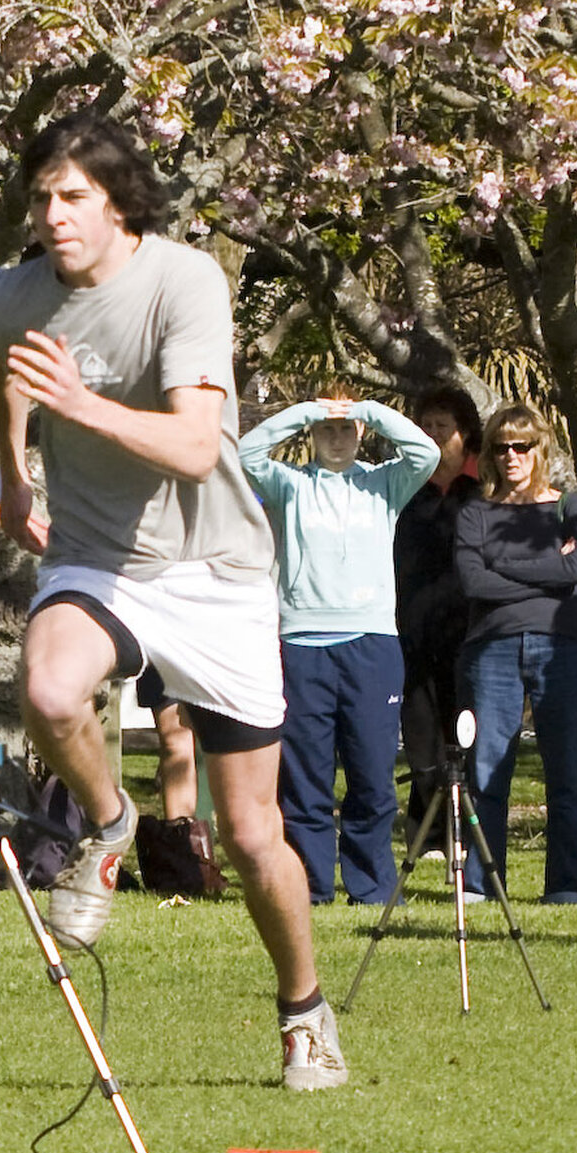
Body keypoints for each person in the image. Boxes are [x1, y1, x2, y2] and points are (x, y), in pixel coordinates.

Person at [0, 114, 345, 1091]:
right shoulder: (10, 294)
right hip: (100, 558)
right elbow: (1, 367)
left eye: (72, 198)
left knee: (248, 833)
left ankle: (303, 1010)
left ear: (117, 204)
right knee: (52, 692)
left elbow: (194, 446)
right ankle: (107, 825)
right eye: (41, 199)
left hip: (219, 574)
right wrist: (15, 473)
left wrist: (78, 405)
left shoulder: (185, 281)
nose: (53, 216)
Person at [235, 387, 437, 905]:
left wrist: (365, 409)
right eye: (327, 429)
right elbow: (244, 453)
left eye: (344, 429)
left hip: (371, 643)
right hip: (302, 644)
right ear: (312, 436)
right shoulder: (291, 484)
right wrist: (307, 412)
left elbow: (426, 453)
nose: (336, 438)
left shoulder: (384, 483)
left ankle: (371, 887)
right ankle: (310, 884)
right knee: (306, 779)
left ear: (361, 434)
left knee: (372, 776)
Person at [451, 400, 577, 904]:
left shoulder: (571, 506)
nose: (512, 456)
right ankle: (482, 884)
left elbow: (573, 570)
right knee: (488, 771)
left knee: (569, 773)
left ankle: (566, 888)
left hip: (565, 649)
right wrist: (544, 565)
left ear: (541, 449)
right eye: (501, 447)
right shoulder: (476, 510)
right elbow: (472, 580)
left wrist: (503, 563)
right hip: (490, 651)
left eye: (523, 446)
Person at [390, 389, 481, 869]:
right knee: (423, 745)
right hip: (413, 638)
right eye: (424, 425)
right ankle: (425, 838)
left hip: (473, 640)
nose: (432, 435)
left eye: (442, 426)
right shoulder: (404, 488)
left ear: (465, 432)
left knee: (464, 741)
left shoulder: (485, 488)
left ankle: (463, 840)